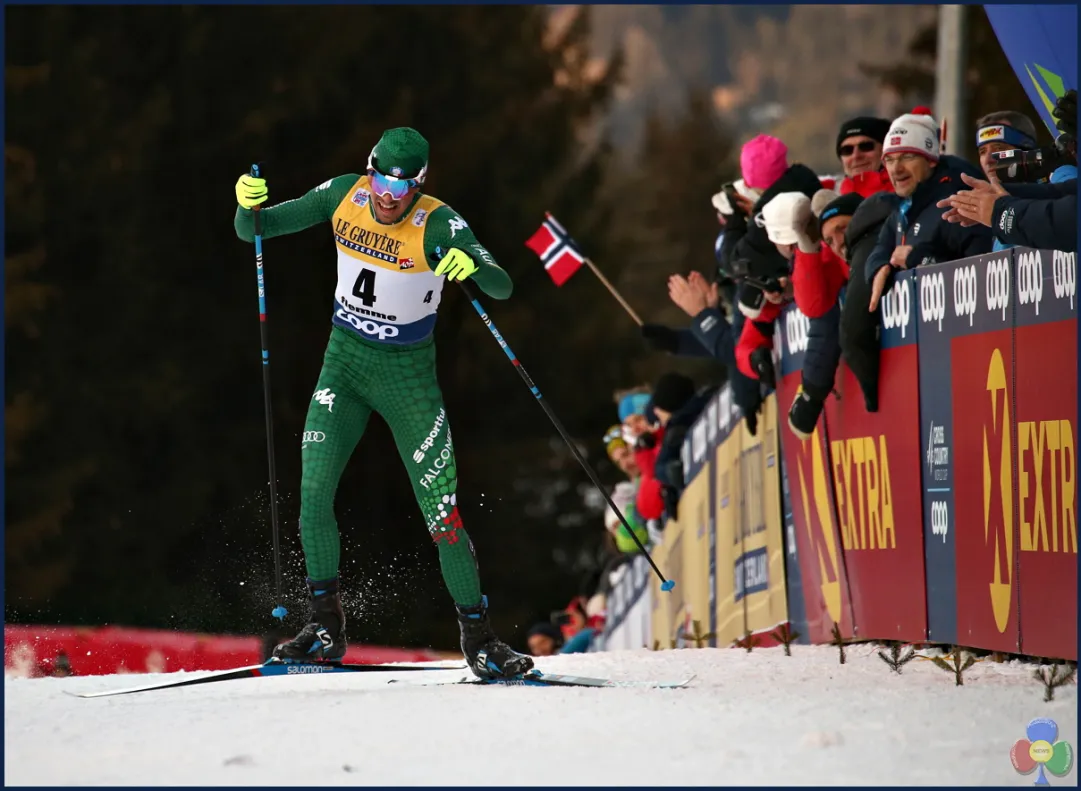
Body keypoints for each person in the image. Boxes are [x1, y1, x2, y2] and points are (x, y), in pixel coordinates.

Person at [232, 127, 533, 681]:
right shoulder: (344, 194)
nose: (389, 194)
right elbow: (258, 227)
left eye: (404, 184)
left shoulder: (439, 222)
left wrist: (472, 267)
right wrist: (245, 205)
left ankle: (480, 639)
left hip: (407, 380)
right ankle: (325, 627)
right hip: (343, 366)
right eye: (382, 179)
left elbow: (502, 285)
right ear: (368, 169)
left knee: (442, 516)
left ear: (420, 183)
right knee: (313, 496)